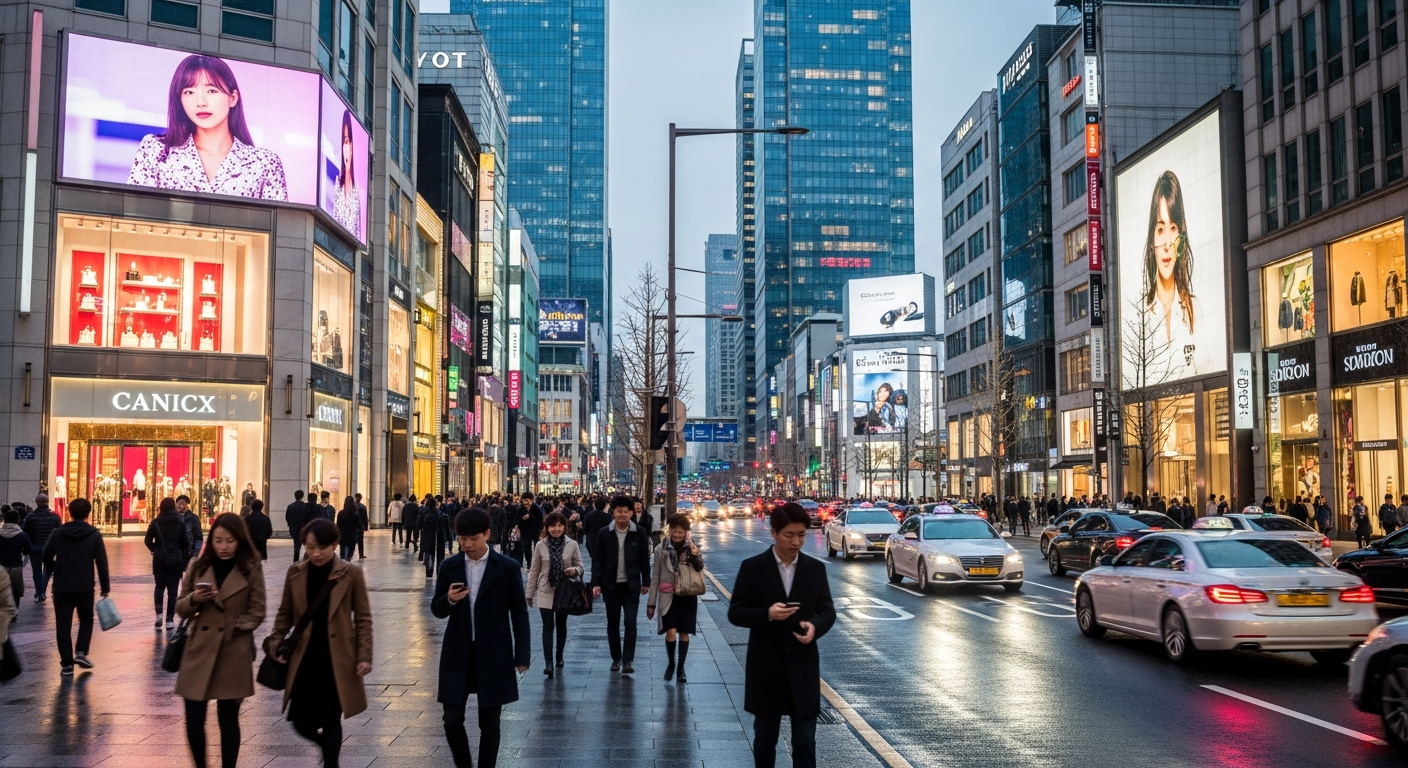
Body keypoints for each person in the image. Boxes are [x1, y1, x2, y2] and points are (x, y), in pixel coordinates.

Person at [727, 503, 836, 768]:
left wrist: (815, 627)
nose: (796, 541)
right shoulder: (753, 568)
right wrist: (767, 614)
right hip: (766, 668)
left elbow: (827, 611)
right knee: (765, 742)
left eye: (802, 535)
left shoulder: (814, 569)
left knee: (804, 744)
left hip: (803, 667)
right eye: (789, 535)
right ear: (773, 532)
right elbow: (736, 612)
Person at [265, 518, 373, 767]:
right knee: (300, 721)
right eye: (310, 547)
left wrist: (364, 655)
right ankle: (327, 748)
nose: (316, 553)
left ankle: (331, 763)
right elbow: (285, 613)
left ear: (334, 544)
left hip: (337, 658)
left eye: (322, 547)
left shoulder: (351, 573)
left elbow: (364, 618)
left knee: (331, 719)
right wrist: (275, 642)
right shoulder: (296, 572)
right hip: (304, 657)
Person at [432, 509, 531, 768]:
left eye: (472, 538)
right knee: (451, 719)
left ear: (487, 534)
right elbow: (437, 609)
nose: (466, 544)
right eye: (461, 538)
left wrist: (522, 656)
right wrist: (448, 600)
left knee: (490, 723)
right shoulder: (449, 566)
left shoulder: (507, 567)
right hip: (458, 652)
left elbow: (519, 614)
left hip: (493, 652)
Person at [127, 54, 289, 200]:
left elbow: (279, 230)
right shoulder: (156, 151)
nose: (201, 102)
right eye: (189, 92)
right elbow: (133, 216)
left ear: (232, 98)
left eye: (211, 91)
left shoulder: (264, 163)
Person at [175, 513, 267, 768]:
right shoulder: (198, 565)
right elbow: (181, 608)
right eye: (218, 540)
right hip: (199, 651)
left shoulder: (251, 566)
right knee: (194, 718)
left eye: (230, 540)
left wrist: (238, 625)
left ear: (240, 540)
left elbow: (258, 609)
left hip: (232, 650)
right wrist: (195, 598)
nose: (223, 546)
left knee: (228, 719)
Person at [42, 499, 110, 676]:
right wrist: (105, 587)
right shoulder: (94, 534)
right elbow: (101, 562)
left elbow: (46, 556)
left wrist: (54, 568)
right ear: (88, 513)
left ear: (69, 512)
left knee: (63, 625)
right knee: (86, 618)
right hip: (85, 586)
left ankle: (66, 664)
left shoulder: (58, 533)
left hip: (62, 586)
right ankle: (80, 651)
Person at [1141, 170, 1200, 368]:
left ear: (1181, 235)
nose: (1167, 243)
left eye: (1173, 228)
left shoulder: (1193, 309)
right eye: (1160, 229)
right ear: (1151, 240)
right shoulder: (1141, 313)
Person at [590, 495, 651, 674]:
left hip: (631, 585)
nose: (622, 514)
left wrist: (646, 581)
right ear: (613, 512)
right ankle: (616, 658)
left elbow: (643, 560)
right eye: (619, 511)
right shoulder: (604, 533)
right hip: (611, 585)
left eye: (626, 511)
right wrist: (596, 583)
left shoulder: (639, 532)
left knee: (631, 622)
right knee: (613, 623)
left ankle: (628, 660)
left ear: (631, 513)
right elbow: (598, 560)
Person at [647, 514, 704, 683]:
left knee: (684, 632)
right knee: (670, 631)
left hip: (687, 595)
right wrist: (651, 603)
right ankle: (671, 663)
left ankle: (681, 667)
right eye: (674, 531)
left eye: (681, 532)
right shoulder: (660, 549)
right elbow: (655, 576)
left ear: (686, 532)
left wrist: (694, 555)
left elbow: (700, 568)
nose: (677, 535)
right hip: (668, 596)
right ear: (669, 529)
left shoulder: (691, 547)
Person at [525, 511, 582, 676]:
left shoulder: (571, 544)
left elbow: (580, 566)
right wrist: (529, 593)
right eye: (552, 526)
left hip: (564, 591)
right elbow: (534, 571)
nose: (556, 529)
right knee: (548, 626)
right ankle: (548, 662)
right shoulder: (540, 545)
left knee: (561, 625)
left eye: (559, 525)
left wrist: (574, 570)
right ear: (547, 527)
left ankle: (559, 656)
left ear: (564, 526)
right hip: (545, 590)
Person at [144, 497, 191, 630]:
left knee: (159, 586)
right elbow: (185, 542)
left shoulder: (156, 522)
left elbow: (147, 540)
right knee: (173, 590)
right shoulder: (180, 521)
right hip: (175, 559)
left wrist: (156, 549)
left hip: (159, 558)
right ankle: (169, 619)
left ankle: (159, 614)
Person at [21, 493, 60, 604]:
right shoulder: (55, 517)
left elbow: (26, 533)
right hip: (50, 548)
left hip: (35, 547)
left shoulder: (31, 517)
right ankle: (42, 591)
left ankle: (40, 592)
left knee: (36, 570)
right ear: (47, 502)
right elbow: (59, 533)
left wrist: (27, 548)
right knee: (47, 569)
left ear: (37, 502)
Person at [330, 110, 362, 238]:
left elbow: (358, 235)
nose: (346, 147)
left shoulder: (357, 191)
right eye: (344, 141)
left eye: (349, 141)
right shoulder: (337, 183)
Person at [0, 508, 31, 612]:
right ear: (17, 520)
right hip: (15, 566)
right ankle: (13, 612)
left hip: (1, 566)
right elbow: (28, 550)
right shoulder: (22, 535)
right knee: (16, 592)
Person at [421, 497, 443, 578]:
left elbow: (420, 523)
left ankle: (429, 571)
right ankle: (437, 570)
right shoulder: (437, 512)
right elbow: (441, 523)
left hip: (427, 535)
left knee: (428, 553)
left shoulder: (424, 511)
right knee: (437, 553)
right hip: (436, 535)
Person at [285, 491, 309, 562]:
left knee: (296, 543)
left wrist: (290, 524)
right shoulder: (305, 506)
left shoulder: (290, 506)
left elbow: (287, 517)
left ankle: (296, 559)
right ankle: (304, 559)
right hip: (303, 528)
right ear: (302, 496)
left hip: (293, 528)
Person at [335, 497, 361, 562]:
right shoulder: (355, 514)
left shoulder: (341, 513)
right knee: (350, 552)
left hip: (343, 535)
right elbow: (358, 525)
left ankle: (343, 560)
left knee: (343, 552)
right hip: (352, 536)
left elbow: (338, 525)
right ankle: (348, 559)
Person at [354, 493, 369, 560]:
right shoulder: (362, 507)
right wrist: (366, 526)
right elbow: (365, 517)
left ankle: (351, 553)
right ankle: (361, 554)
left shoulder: (352, 506)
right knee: (360, 540)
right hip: (360, 525)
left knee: (353, 539)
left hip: (354, 525)